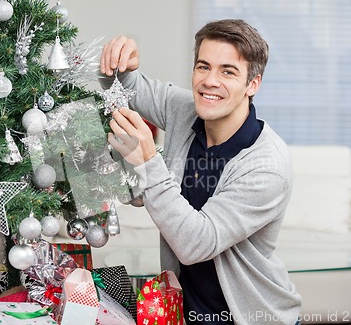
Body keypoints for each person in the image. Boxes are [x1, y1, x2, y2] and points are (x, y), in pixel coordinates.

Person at [99, 19, 302, 325]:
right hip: (186, 315)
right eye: (203, 66)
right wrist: (120, 63)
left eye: (228, 71)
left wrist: (148, 161)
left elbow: (196, 243)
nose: (210, 81)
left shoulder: (267, 166)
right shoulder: (185, 110)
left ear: (252, 85)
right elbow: (128, 89)